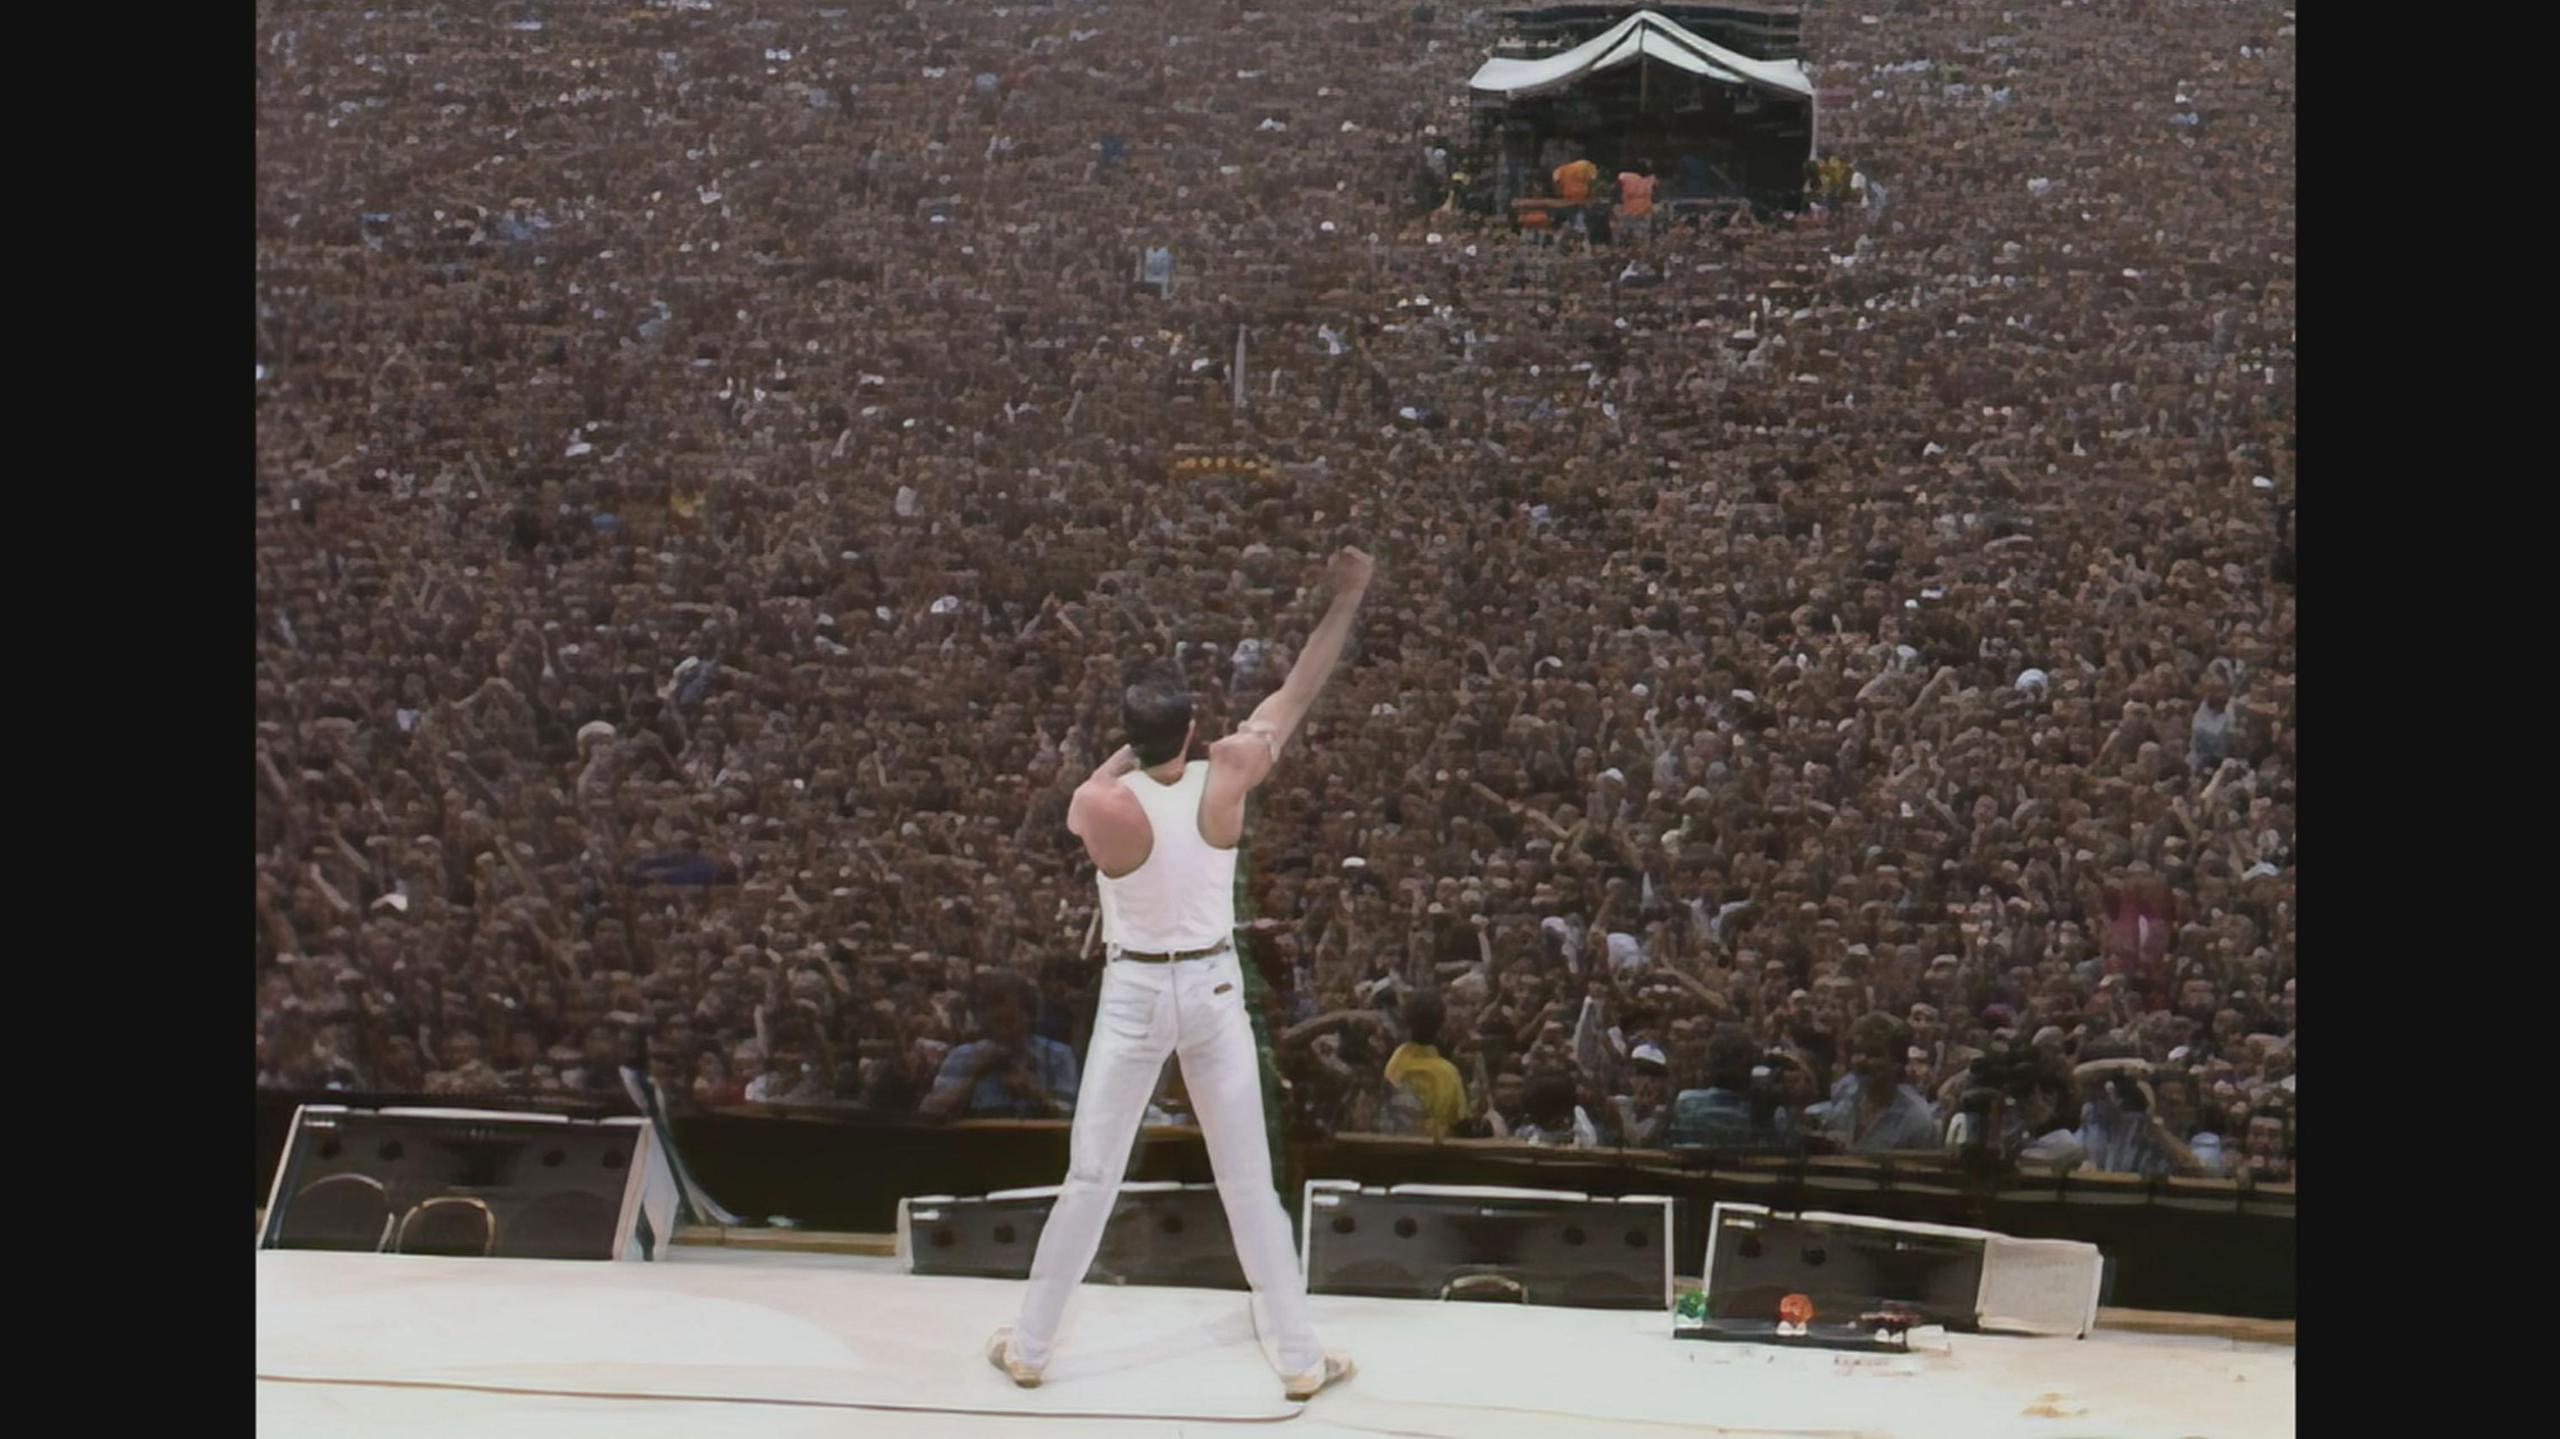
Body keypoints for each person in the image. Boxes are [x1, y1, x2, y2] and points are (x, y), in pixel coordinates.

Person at [990, 547, 1375, 1402]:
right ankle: (1299, 1356)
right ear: (1195, 727)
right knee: (1248, 1180)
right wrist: (1347, 596)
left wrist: (1127, 754)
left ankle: (1031, 1344)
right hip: (1212, 989)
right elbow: (1298, 690)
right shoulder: (1228, 771)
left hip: (1135, 991)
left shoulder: (1100, 803)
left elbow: (1095, 783)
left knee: (1092, 1175)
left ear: (1130, 734)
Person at [923, 971, 1079, 1118]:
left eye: (1009, 1021)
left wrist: (1033, 1093)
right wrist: (974, 1075)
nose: (1001, 1031)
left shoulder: (1057, 1055)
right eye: (993, 1022)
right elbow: (932, 1112)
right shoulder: (962, 1056)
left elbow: (1071, 1116)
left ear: (1029, 1016)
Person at [1820, 1014, 1940, 1153]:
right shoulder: (1845, 1091)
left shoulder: (1916, 1118)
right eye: (1857, 1052)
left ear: (1897, 1062)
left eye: (1874, 1054)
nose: (1861, 1061)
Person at [1382, 988, 1466, 1138]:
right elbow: (1458, 1121)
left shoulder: (1396, 1059)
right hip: (1432, 1149)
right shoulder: (1448, 1073)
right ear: (1441, 1025)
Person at [1552, 147, 1599, 239]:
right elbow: (1593, 181)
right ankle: (1577, 236)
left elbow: (1556, 180)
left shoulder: (1563, 168)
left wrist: (1559, 193)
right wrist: (1591, 194)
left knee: (1575, 220)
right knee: (1578, 220)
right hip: (1579, 198)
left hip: (1571, 198)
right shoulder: (1587, 166)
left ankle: (1573, 236)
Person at [1616, 158, 1656, 244]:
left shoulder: (1650, 180)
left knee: (1640, 239)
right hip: (1631, 213)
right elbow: (1617, 194)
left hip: (1641, 213)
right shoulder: (1625, 177)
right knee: (1631, 239)